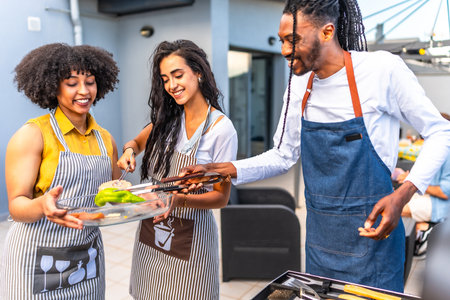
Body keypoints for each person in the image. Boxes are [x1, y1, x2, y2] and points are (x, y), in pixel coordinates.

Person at [181, 0, 450, 292]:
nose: (284, 50)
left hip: (374, 241)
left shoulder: (380, 70)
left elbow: (440, 131)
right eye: (283, 40)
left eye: (293, 39)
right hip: (321, 242)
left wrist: (403, 194)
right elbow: (283, 155)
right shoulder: (299, 84)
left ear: (327, 32)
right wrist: (225, 169)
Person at [117, 40, 237, 299]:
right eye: (165, 79)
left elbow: (221, 197)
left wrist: (177, 199)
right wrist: (128, 151)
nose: (171, 85)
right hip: (152, 230)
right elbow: (138, 142)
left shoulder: (221, 130)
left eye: (178, 75)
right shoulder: (168, 121)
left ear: (199, 72)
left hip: (191, 240)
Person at [0, 43, 121, 299]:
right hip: (36, 258)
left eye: (90, 82)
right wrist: (43, 204)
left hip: (86, 257)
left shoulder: (105, 140)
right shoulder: (32, 135)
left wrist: (145, 199)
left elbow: (112, 194)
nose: (83, 91)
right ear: (53, 86)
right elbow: (17, 206)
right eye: (71, 83)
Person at [400, 113, 450, 256]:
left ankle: (425, 232)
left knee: (396, 207)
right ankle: (423, 229)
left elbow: (444, 192)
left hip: (439, 204)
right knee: (394, 198)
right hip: (428, 197)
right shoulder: (434, 149)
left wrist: (414, 181)